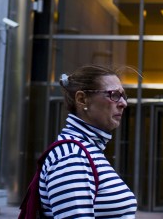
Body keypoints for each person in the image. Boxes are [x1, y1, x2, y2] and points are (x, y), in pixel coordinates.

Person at [38, 64, 137, 218]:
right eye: (114, 95)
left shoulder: (88, 150)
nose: (123, 103)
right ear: (82, 99)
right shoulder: (71, 156)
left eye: (123, 96)